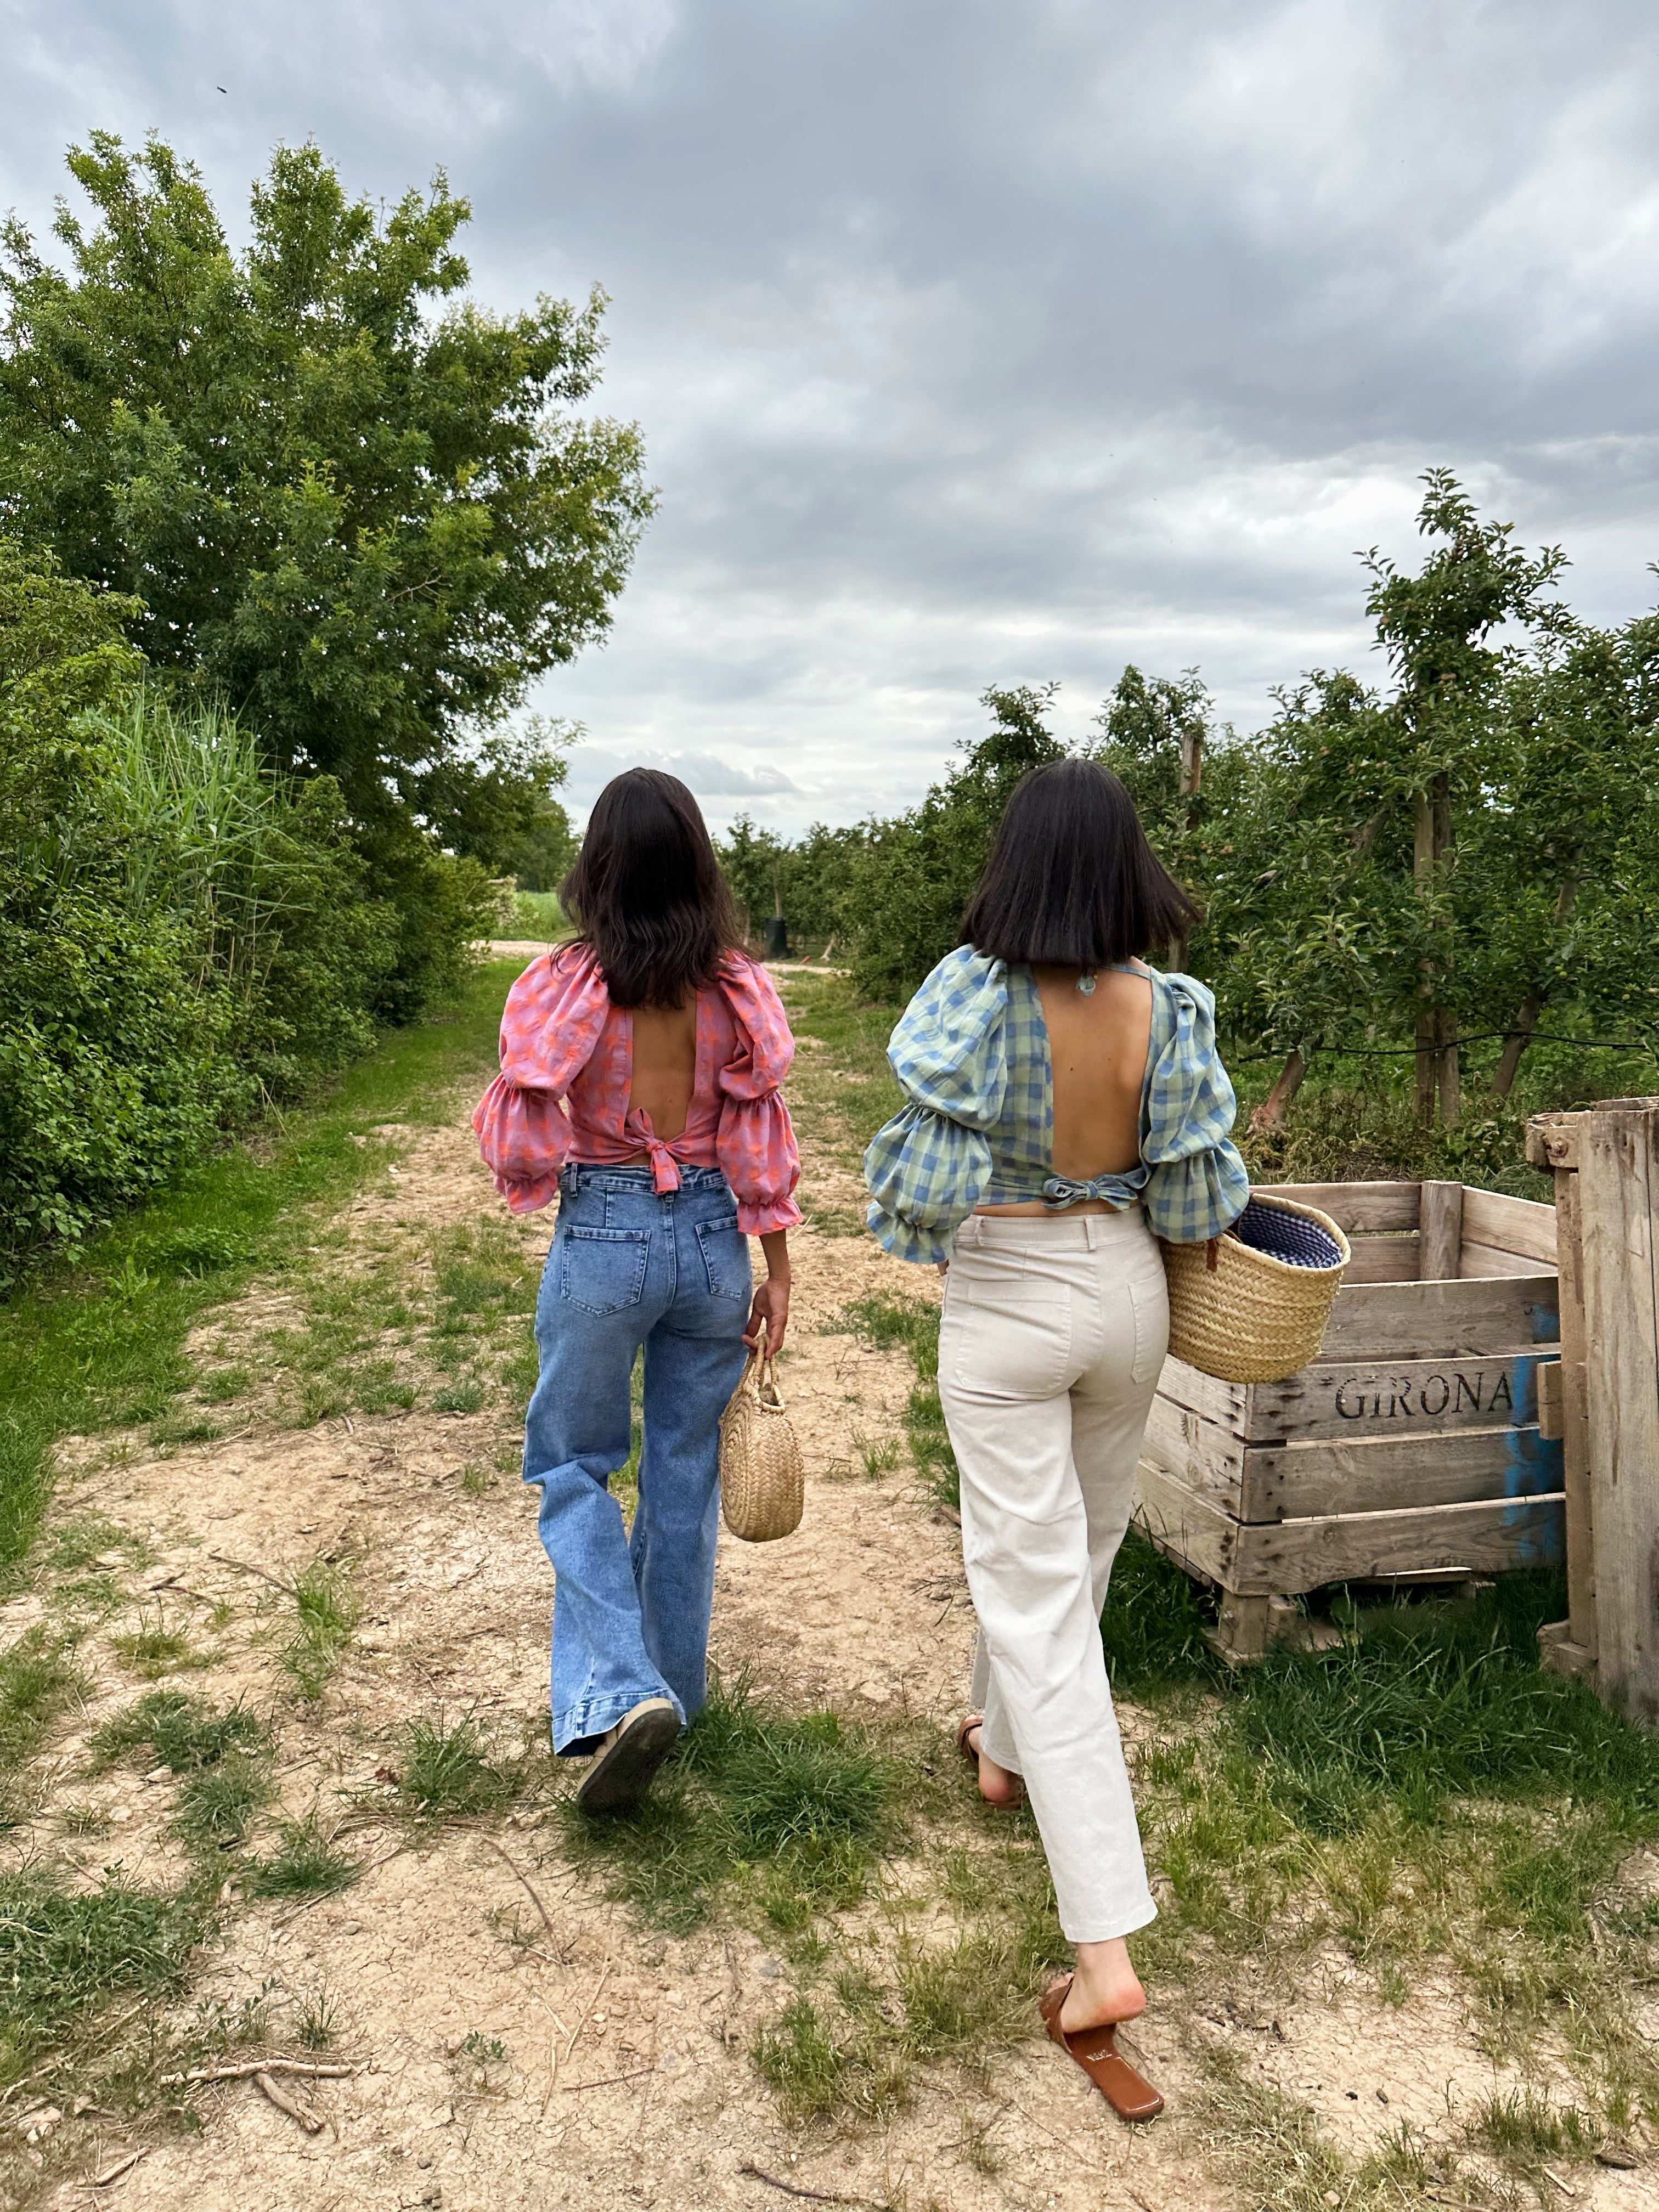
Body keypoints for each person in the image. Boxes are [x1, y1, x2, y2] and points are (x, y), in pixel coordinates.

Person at [863, 758, 1248, 2120]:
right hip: (1130, 1290)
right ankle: (1003, 1753)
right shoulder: (1170, 1006)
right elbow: (1201, 1187)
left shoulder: (976, 989)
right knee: (1072, 1557)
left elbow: (921, 1154)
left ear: (1018, 863)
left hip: (1013, 1287)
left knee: (1034, 1593)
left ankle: (1104, 1951)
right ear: (1130, 864)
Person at [474, 769, 801, 1814]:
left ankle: (619, 1693)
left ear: (598, 867)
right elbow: (759, 1132)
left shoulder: (571, 983)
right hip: (713, 1242)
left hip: (607, 1230)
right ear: (698, 866)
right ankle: (673, 1697)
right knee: (682, 1474)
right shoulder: (733, 987)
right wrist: (778, 1265)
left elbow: (526, 1107)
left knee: (572, 1465)